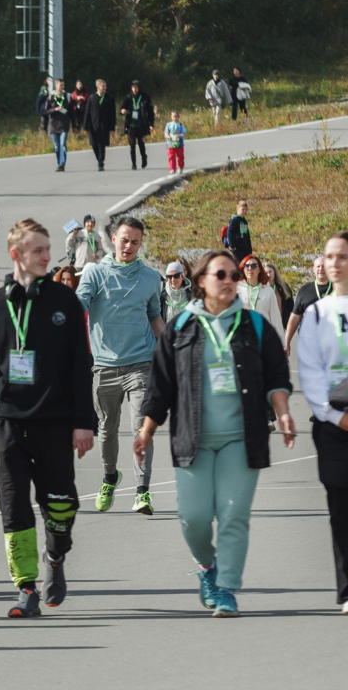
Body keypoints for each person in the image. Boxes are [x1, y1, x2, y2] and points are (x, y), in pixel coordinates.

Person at [139, 249, 294, 618]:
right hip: (193, 438)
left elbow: (276, 376)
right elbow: (160, 386)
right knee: (192, 517)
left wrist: (284, 414)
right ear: (201, 281)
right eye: (220, 275)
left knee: (233, 515)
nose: (229, 281)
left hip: (242, 438)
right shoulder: (180, 327)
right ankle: (208, 567)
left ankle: (227, 589)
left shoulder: (255, 325)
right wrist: (146, 431)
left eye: (233, 276)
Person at [0, 219, 95, 618]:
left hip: (57, 422)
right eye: (38, 250)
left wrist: (84, 422)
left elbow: (81, 366)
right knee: (14, 509)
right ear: (16, 255)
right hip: (8, 423)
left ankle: (55, 558)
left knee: (61, 507)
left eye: (47, 248)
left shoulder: (65, 301)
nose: (47, 255)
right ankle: (26, 588)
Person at [76, 217, 165, 514]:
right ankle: (110, 476)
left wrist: (169, 351)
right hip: (104, 365)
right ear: (113, 239)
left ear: (141, 244)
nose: (129, 246)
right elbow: (79, 306)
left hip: (141, 362)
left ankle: (142, 491)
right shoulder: (95, 274)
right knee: (106, 430)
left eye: (135, 242)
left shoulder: (152, 278)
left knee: (141, 427)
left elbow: (155, 316)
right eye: (124, 240)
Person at [296, 232, 348, 615]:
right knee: (341, 509)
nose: (334, 263)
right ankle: (347, 590)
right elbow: (310, 376)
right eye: (330, 256)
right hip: (333, 425)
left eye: (342, 256)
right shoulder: (315, 313)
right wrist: (338, 417)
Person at [285, 255, 332, 356]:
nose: (321, 269)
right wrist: (287, 341)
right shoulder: (304, 291)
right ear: (313, 269)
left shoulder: (339, 288)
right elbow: (295, 318)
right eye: (318, 266)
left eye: (324, 266)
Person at [236, 254, 284, 334]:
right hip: (243, 336)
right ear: (243, 269)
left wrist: (282, 343)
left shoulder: (268, 291)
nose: (250, 268)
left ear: (259, 270)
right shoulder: (236, 290)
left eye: (254, 266)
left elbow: (275, 318)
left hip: (263, 336)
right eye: (246, 266)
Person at [83, 78, 117, 171]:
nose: (105, 87)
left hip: (104, 126)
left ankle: (101, 162)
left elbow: (112, 114)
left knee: (102, 144)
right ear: (98, 87)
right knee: (94, 145)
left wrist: (112, 127)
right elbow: (87, 112)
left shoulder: (109, 98)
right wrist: (85, 126)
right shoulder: (91, 98)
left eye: (105, 86)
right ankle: (99, 158)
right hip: (93, 126)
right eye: (103, 86)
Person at [121, 80, 155, 170]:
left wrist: (151, 124)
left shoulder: (145, 97)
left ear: (139, 88)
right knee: (132, 145)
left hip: (142, 125)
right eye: (133, 87)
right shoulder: (128, 97)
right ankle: (134, 163)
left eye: (136, 87)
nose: (134, 89)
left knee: (141, 144)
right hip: (131, 125)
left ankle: (144, 158)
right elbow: (123, 107)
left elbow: (151, 112)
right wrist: (122, 111)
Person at [44, 78, 73, 172]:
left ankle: (62, 164)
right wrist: (54, 109)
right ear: (56, 85)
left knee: (62, 145)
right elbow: (45, 111)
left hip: (64, 125)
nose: (62, 87)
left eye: (63, 85)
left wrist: (75, 125)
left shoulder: (67, 96)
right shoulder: (50, 97)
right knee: (56, 147)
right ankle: (59, 163)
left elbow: (71, 111)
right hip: (54, 125)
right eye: (61, 85)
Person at [264, 261, 294, 329]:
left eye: (270, 272)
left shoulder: (283, 287)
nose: (268, 275)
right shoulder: (261, 289)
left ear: (274, 272)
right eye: (265, 273)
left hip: (282, 326)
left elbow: (291, 306)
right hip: (267, 326)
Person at [225, 199, 253, 264]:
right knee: (240, 264)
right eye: (243, 209)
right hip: (237, 248)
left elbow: (246, 235)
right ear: (237, 209)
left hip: (245, 247)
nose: (245, 211)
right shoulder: (234, 220)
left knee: (246, 263)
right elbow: (230, 232)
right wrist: (232, 245)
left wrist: (249, 248)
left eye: (246, 210)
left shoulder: (244, 221)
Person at [165, 110, 187, 175]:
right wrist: (168, 136)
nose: (175, 118)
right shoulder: (168, 125)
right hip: (171, 143)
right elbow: (166, 133)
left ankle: (180, 167)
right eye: (173, 117)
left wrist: (180, 136)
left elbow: (184, 133)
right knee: (171, 156)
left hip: (179, 143)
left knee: (180, 156)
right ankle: (172, 169)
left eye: (176, 117)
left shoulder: (180, 125)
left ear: (178, 117)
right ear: (171, 117)